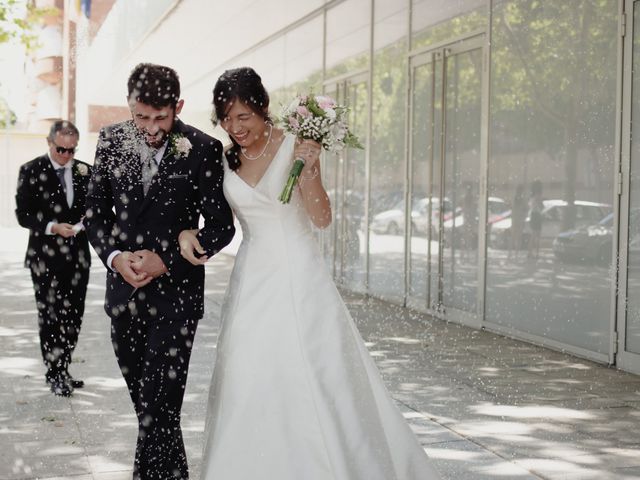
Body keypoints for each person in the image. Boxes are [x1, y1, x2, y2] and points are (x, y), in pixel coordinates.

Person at [179, 67, 440, 479]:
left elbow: (321, 219)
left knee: (313, 372)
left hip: (300, 277)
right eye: (226, 118)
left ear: (263, 109)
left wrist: (311, 167)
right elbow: (218, 222)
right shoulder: (224, 157)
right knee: (248, 375)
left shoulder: (296, 146)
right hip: (252, 281)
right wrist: (185, 232)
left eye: (242, 116)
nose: (234, 127)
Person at [84, 63, 235, 480]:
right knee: (152, 413)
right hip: (123, 296)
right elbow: (95, 214)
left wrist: (165, 258)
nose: (150, 128)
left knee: (157, 409)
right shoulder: (112, 139)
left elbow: (221, 228)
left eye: (160, 118)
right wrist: (116, 257)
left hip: (177, 300)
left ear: (178, 106)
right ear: (129, 106)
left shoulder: (203, 148)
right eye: (141, 116)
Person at [15, 120, 92, 397]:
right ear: (49, 143)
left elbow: (95, 207)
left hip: (77, 257)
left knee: (74, 316)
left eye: (72, 150)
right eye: (61, 149)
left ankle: (65, 366)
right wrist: (52, 227)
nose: (67, 155)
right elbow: (23, 214)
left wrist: (83, 224)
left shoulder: (85, 171)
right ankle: (54, 372)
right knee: (50, 317)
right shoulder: (31, 170)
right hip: (44, 258)